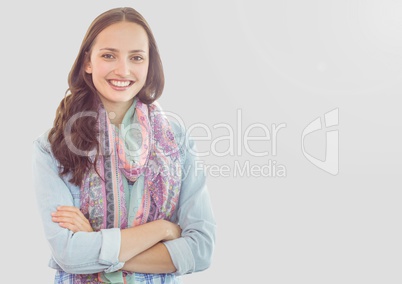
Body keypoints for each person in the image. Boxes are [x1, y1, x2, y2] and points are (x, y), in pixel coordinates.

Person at [32, 7, 216, 284]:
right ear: (87, 62)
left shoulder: (176, 139)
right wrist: (163, 229)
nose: (123, 70)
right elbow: (68, 254)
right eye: (109, 55)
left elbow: (201, 250)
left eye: (136, 57)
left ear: (149, 65)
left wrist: (95, 244)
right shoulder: (53, 146)